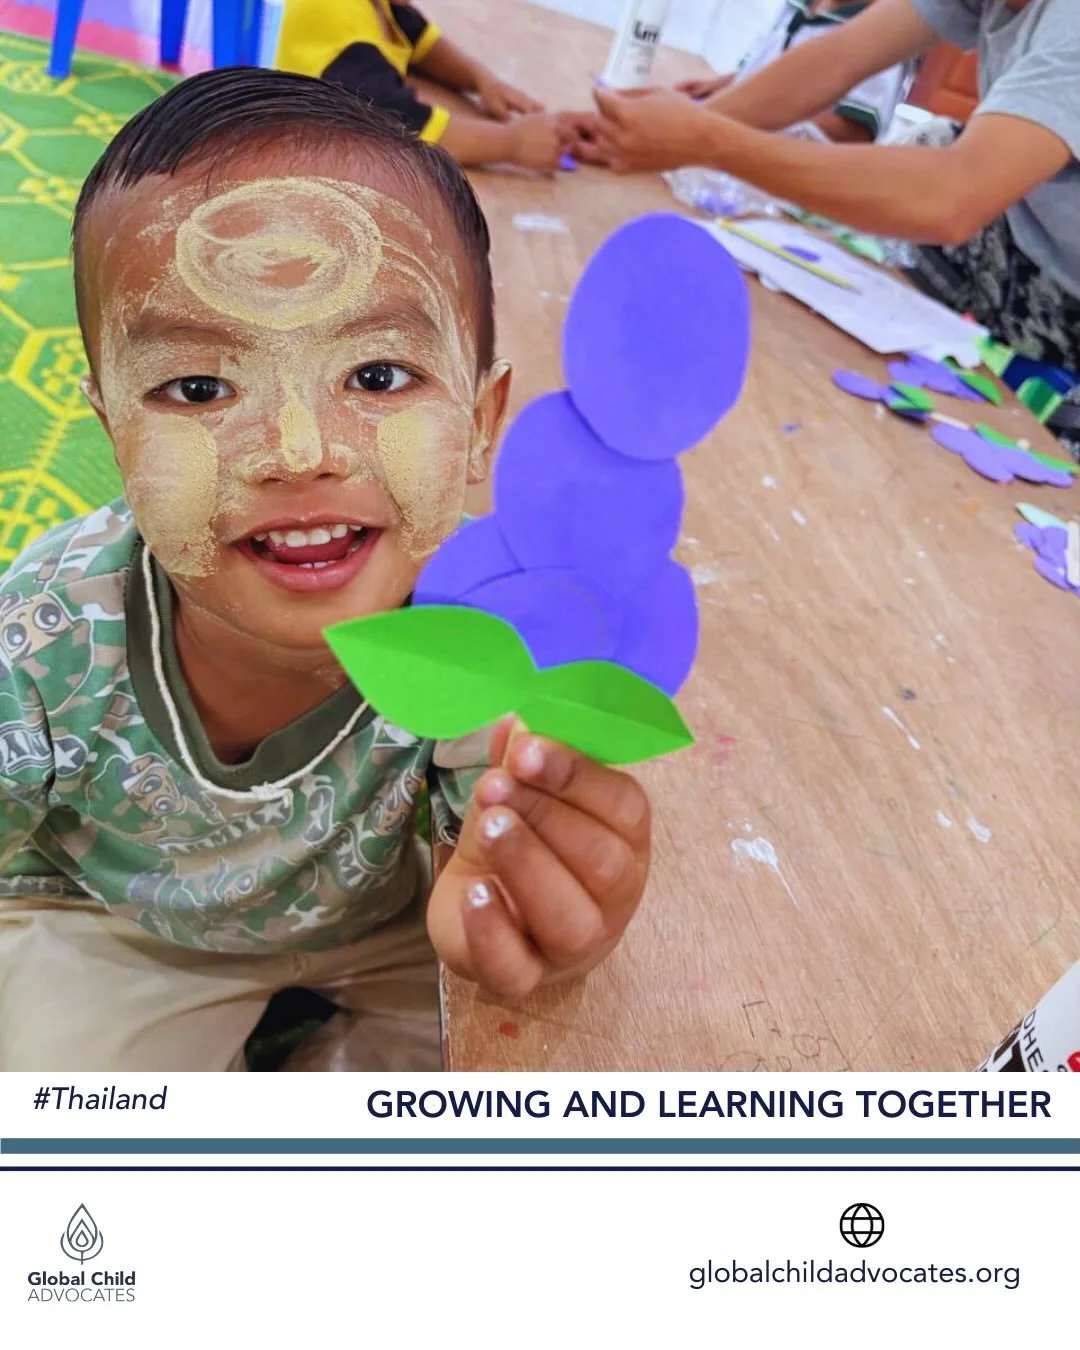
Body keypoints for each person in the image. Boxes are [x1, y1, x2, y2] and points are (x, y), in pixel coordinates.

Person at [0, 69, 651, 1071]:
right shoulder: (39, 644)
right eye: (199, 387)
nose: (299, 452)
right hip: (122, 928)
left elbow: (500, 874)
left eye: (378, 375)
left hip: (393, 927)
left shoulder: (489, 627)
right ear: (113, 428)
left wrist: (543, 909)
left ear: (481, 424)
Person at [574, 0, 1080, 454]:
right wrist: (654, 134)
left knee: (1036, 491)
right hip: (1029, 241)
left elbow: (949, 201)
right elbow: (838, 57)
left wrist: (708, 141)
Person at [275, 0, 571, 170]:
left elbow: (419, 39)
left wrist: (481, 80)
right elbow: (399, 127)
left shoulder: (377, 4)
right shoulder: (336, 23)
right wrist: (514, 142)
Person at [677, 0, 914, 145]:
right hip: (737, 140)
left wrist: (756, 117)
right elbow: (770, 59)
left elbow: (855, 131)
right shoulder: (800, 5)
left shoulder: (886, 40)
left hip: (785, 174)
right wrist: (729, 84)